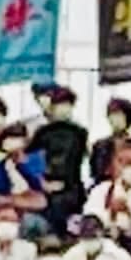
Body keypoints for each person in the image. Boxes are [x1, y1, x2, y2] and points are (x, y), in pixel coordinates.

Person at [30, 84, 89, 232]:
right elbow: (31, 161)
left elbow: (84, 159)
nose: (64, 108)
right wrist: (42, 183)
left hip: (73, 188)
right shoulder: (42, 133)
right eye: (60, 104)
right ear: (53, 107)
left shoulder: (80, 133)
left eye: (68, 104)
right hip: (47, 187)